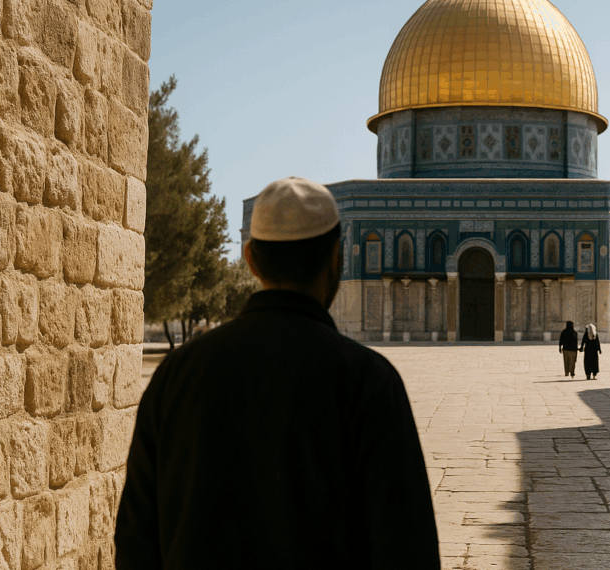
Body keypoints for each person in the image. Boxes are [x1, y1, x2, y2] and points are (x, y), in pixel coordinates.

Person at [115, 178, 439, 569]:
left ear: (250, 260)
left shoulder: (177, 375)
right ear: (338, 259)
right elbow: (406, 546)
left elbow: (136, 539)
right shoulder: (368, 382)